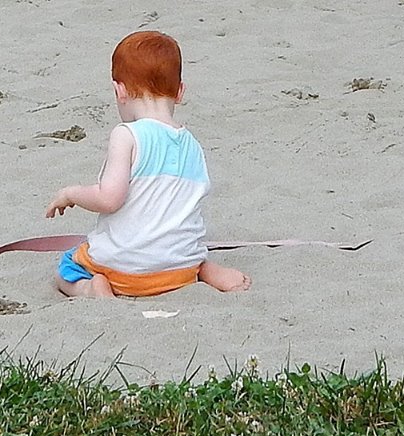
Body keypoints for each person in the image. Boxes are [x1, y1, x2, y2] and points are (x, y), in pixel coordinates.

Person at [45, 31, 251, 298]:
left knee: (68, 268)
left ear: (119, 91)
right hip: (179, 270)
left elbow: (109, 199)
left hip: (123, 271)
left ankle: (91, 289)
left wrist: (71, 193)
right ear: (179, 92)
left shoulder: (127, 135)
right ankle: (203, 269)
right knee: (181, 244)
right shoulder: (192, 145)